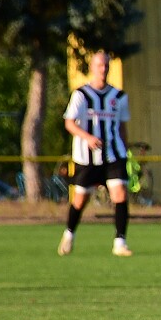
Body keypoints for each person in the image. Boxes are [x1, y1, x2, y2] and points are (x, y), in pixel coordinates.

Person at [57, 50, 133, 257]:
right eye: (100, 65)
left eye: (106, 65)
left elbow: (122, 126)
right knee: (80, 199)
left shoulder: (119, 97)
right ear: (92, 68)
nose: (103, 69)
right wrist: (88, 137)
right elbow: (69, 123)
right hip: (87, 157)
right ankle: (69, 234)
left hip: (114, 155)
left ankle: (120, 242)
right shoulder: (81, 95)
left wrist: (125, 149)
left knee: (120, 194)